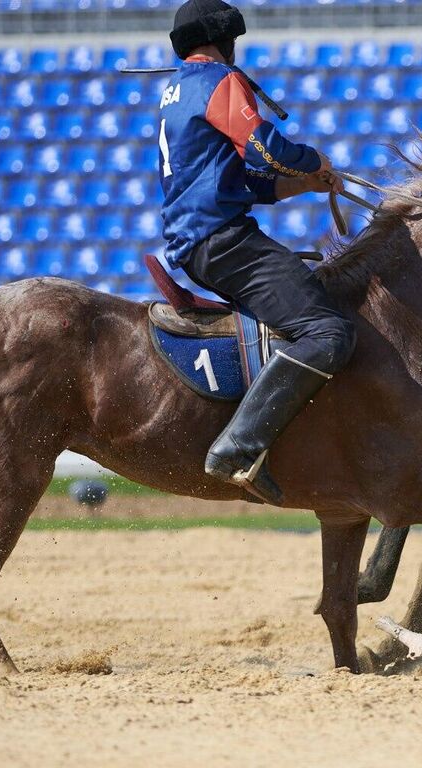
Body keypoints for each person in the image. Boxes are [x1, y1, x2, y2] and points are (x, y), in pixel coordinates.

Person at [157, 0, 352, 503]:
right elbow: (265, 149)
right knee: (328, 330)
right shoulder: (219, 81)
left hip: (201, 238)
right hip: (222, 239)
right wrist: (312, 159)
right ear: (224, 41)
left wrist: (303, 185)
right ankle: (240, 446)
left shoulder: (176, 91)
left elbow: (243, 181)